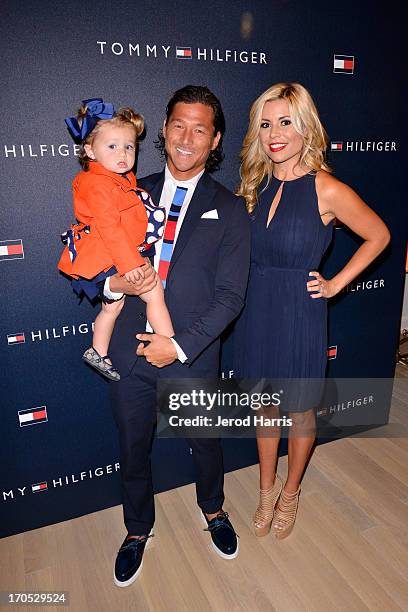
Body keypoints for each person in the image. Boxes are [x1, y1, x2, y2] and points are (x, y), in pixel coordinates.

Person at [104, 85, 251, 586]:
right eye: (178, 126)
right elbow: (94, 269)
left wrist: (180, 346)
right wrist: (111, 283)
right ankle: (136, 529)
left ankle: (212, 509)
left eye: (200, 129)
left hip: (192, 354)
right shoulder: (125, 191)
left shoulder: (230, 209)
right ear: (163, 131)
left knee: (206, 443)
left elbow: (231, 297)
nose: (187, 138)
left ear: (215, 141)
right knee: (131, 447)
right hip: (128, 351)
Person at [234, 82, 390, 539]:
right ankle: (266, 490)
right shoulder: (254, 184)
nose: (274, 133)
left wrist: (337, 282)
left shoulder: (327, 188)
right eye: (265, 124)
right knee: (265, 406)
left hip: (300, 313)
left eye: (285, 122)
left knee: (299, 411)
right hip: (256, 309)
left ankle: (291, 492)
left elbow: (378, 235)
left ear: (306, 127)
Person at [58, 98, 174, 381]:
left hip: (117, 254)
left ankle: (98, 350)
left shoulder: (120, 178)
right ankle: (169, 340)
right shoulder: (97, 183)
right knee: (154, 293)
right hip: (109, 254)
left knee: (114, 306)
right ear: (89, 150)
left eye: (129, 146)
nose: (122, 153)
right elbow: (110, 228)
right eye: (112, 146)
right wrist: (131, 263)